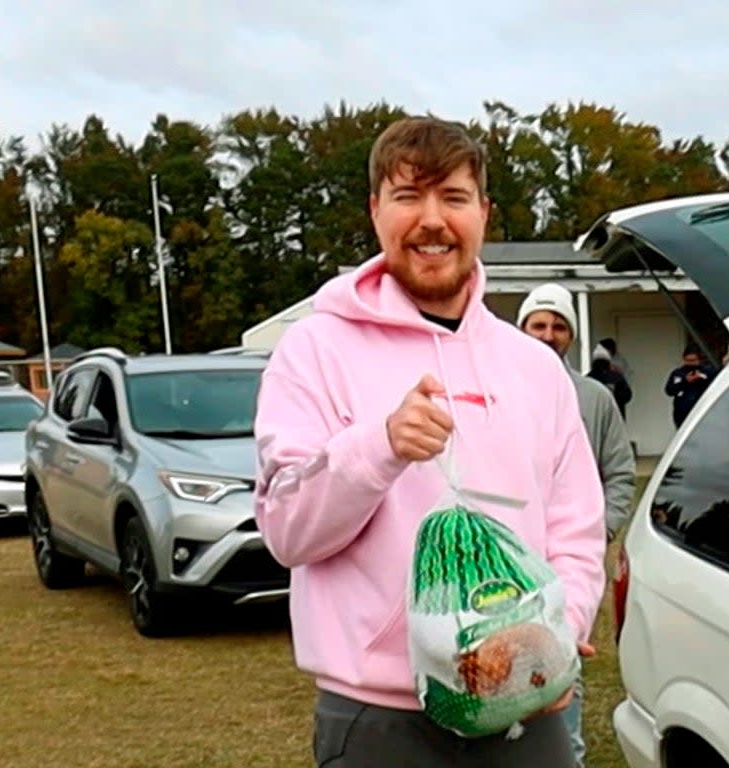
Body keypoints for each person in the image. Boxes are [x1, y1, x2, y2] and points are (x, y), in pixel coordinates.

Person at [253, 116, 606, 768]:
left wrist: (559, 638)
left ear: (483, 212)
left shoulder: (533, 366)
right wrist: (378, 448)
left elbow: (577, 530)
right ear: (375, 210)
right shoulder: (314, 350)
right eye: (409, 196)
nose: (432, 220)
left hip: (526, 703)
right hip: (380, 719)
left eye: (454, 197)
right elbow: (286, 531)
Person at [517, 283, 636, 768]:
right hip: (508, 565)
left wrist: (597, 532)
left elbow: (621, 473)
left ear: (571, 335)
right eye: (538, 325)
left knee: (561, 668)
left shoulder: (594, 398)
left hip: (565, 568)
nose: (548, 335)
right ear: (522, 328)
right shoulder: (496, 389)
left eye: (558, 326)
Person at [664, 342, 717, 428]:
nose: (690, 364)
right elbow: (669, 390)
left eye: (693, 361)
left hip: (702, 412)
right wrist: (685, 381)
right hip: (682, 414)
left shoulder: (708, 372)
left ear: (699, 360)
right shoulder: (678, 373)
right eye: (688, 360)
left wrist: (702, 378)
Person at [587, 343, 632, 420]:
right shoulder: (616, 377)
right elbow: (627, 395)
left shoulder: (588, 378)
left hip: (595, 417)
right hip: (615, 417)